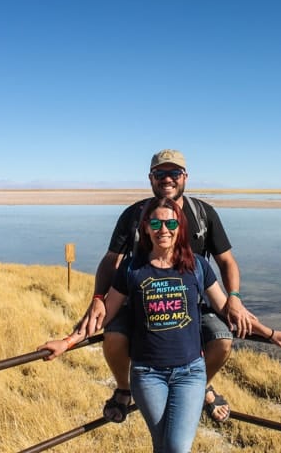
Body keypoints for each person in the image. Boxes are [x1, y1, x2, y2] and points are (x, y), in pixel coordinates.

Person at [39, 198, 281, 453]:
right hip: (147, 375)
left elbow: (227, 309)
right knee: (163, 445)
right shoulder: (132, 268)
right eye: (155, 224)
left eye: (170, 224)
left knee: (177, 447)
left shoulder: (198, 266)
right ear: (146, 228)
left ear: (181, 227)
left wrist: (270, 333)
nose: (163, 230)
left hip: (190, 373)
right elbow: (103, 316)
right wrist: (66, 342)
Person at [80, 149, 251, 423]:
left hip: (191, 304)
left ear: (185, 177)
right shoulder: (135, 215)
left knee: (222, 339)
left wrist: (234, 297)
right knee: (113, 337)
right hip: (138, 301)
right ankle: (124, 389)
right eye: (161, 174)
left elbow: (227, 261)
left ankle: (200, 385)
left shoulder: (203, 213)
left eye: (174, 173)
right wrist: (99, 297)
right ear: (151, 178)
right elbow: (111, 261)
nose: (167, 179)